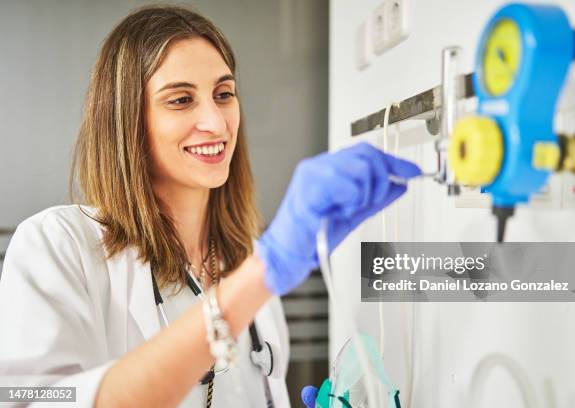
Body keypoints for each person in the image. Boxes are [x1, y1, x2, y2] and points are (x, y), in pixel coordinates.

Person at [0, 5, 421, 407]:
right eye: (181, 100)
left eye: (224, 94)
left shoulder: (246, 261)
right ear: (126, 120)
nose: (217, 123)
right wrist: (259, 277)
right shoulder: (58, 245)